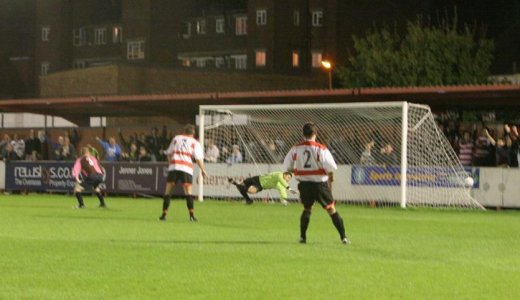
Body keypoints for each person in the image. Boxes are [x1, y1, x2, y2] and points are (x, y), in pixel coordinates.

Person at [283, 122, 350, 245]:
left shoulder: (295, 148)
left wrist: (299, 170)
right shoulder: (321, 148)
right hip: (319, 184)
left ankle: (303, 238)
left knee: (307, 209)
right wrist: (330, 179)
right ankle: (344, 237)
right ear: (315, 133)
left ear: (303, 134)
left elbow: (287, 166)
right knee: (331, 210)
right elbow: (330, 167)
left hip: (304, 185)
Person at [160, 124, 207, 222]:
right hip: (186, 168)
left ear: (184, 131)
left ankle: (164, 215)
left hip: (174, 167)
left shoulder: (176, 138)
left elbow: (168, 153)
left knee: (168, 192)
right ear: (193, 133)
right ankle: (191, 216)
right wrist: (203, 169)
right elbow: (198, 159)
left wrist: (171, 164)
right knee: (188, 193)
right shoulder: (195, 142)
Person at [228, 171, 297, 205]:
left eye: (289, 179)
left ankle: (235, 183)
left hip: (260, 185)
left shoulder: (279, 183)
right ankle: (248, 200)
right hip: (257, 179)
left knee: (249, 190)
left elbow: (282, 189)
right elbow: (283, 181)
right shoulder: (279, 174)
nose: (288, 179)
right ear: (284, 174)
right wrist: (289, 188)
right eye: (288, 177)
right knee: (241, 187)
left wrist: (284, 200)